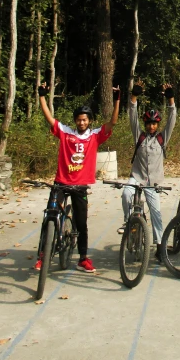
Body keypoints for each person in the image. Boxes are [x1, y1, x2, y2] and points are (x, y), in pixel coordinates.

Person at [36, 83, 120, 273]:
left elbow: (112, 122)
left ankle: (83, 258)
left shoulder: (95, 135)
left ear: (89, 120)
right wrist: (42, 95)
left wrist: (117, 100)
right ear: (75, 120)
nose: (81, 123)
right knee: (49, 214)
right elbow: (49, 118)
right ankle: (42, 255)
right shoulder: (66, 132)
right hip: (61, 182)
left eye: (85, 120)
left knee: (82, 224)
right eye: (79, 120)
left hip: (80, 186)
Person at [118, 82, 177, 263]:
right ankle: (129, 222)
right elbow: (132, 115)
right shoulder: (139, 136)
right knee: (126, 195)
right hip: (136, 177)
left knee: (156, 213)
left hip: (154, 182)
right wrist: (134, 96)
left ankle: (159, 246)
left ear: (157, 125)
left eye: (154, 124)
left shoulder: (161, 138)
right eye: (149, 123)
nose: (151, 127)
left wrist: (170, 98)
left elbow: (173, 118)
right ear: (145, 124)